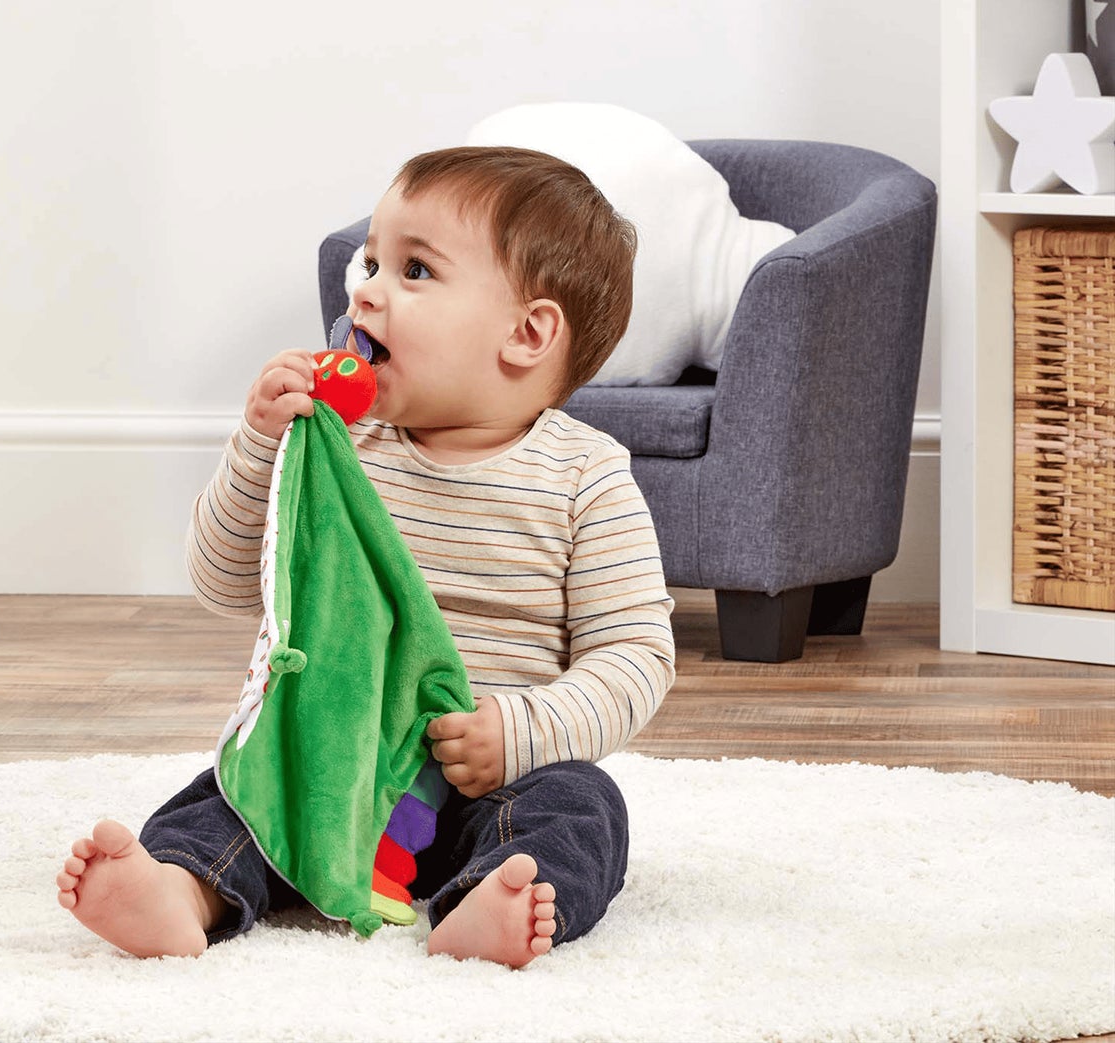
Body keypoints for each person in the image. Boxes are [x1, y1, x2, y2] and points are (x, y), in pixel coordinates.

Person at [56, 145, 677, 969]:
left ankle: (491, 900)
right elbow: (225, 580)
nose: (366, 290)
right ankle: (181, 887)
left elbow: (636, 654)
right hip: (332, 764)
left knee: (583, 807)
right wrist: (260, 446)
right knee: (236, 790)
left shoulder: (583, 477)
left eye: (414, 270)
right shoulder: (340, 445)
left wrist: (520, 731)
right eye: (371, 260)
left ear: (528, 333)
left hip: (483, 784)